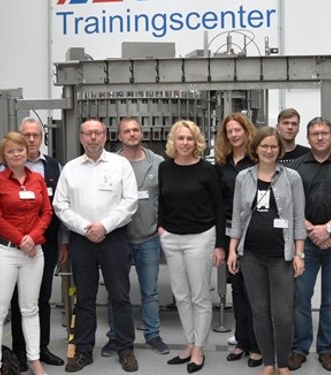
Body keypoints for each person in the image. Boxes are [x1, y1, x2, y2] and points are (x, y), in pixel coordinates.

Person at [53, 119, 139, 373]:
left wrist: (105, 226)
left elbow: (130, 201)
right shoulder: (71, 168)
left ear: (105, 136)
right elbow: (60, 204)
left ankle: (126, 350)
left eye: (97, 133)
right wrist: (85, 228)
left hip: (114, 237)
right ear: (81, 137)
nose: (93, 137)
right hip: (82, 239)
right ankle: (84, 351)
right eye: (88, 133)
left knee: (120, 295)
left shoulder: (120, 164)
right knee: (84, 297)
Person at [227, 126, 306, 375]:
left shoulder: (292, 177)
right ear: (256, 148)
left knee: (283, 315)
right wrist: (232, 250)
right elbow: (237, 217)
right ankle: (269, 363)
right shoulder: (244, 178)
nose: (269, 150)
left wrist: (299, 254)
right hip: (251, 256)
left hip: (282, 257)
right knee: (259, 313)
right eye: (264, 146)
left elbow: (298, 217)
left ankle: (283, 364)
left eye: (273, 146)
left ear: (279, 149)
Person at [157, 120, 226, 373]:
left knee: (199, 296)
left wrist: (220, 245)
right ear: (173, 141)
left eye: (189, 138)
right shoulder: (165, 168)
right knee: (181, 295)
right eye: (180, 138)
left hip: (200, 238)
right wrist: (161, 228)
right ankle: (189, 343)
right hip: (171, 238)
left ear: (196, 141)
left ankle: (199, 348)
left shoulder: (208, 170)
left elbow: (219, 208)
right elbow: (162, 201)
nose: (185, 143)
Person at [288, 118, 331, 372]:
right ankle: (299, 348)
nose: (320, 137)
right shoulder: (295, 168)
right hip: (304, 241)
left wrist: (328, 228)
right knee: (300, 297)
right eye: (315, 133)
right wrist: (312, 230)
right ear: (308, 138)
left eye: (324, 133)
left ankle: (327, 349)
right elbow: (291, 204)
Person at [98, 117, 169, 356]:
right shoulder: (110, 164)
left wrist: (161, 226)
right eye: (127, 131)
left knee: (150, 292)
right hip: (118, 239)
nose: (132, 134)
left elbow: (166, 199)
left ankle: (153, 335)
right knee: (116, 292)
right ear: (119, 136)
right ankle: (115, 337)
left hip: (149, 238)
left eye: (136, 130)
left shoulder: (157, 163)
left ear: (142, 133)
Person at [0, 132, 52, 375]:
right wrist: (21, 239)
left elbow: (46, 212)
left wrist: (32, 238)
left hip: (34, 252)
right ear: (4, 156)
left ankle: (34, 360)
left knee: (30, 308)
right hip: (4, 252)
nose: (16, 154)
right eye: (11, 151)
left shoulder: (37, 180)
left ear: (27, 151)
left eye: (20, 149)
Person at [11, 118, 66, 368]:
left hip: (47, 241)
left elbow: (61, 206)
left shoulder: (54, 166)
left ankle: (41, 347)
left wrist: (64, 241)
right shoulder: (8, 167)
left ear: (42, 137)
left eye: (35, 135)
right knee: (18, 299)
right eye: (27, 135)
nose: (31, 139)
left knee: (43, 296)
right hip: (16, 243)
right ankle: (20, 351)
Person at [215, 113, 263, 367]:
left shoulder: (256, 160)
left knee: (254, 289)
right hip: (230, 233)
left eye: (238, 130)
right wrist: (220, 243)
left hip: (254, 233)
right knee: (237, 289)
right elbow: (218, 204)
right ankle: (242, 340)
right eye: (229, 131)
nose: (234, 135)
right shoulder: (222, 164)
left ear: (247, 131)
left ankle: (257, 345)